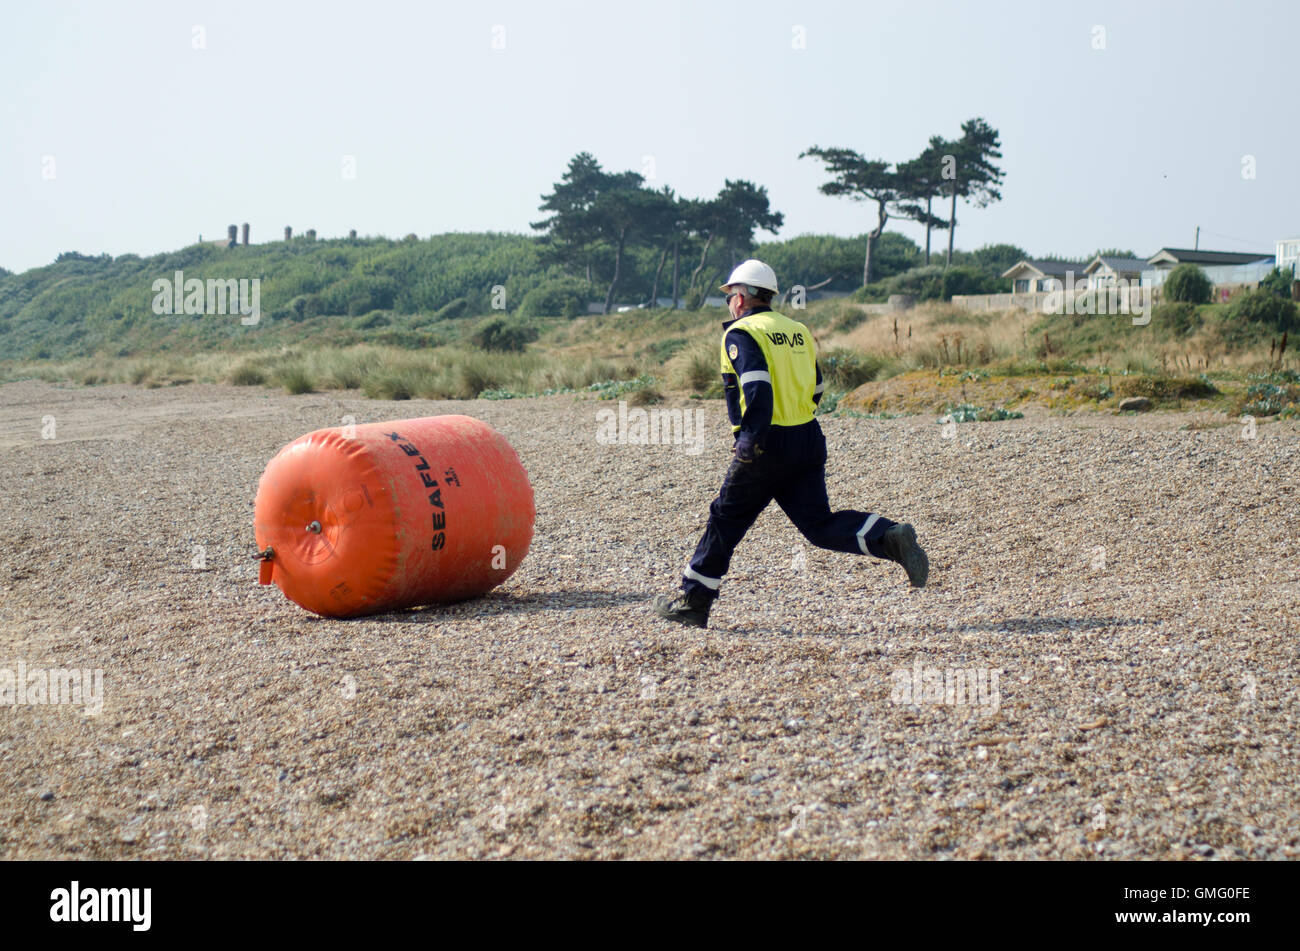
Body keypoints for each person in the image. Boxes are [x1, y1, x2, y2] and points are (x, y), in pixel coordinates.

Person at [652, 259, 928, 629]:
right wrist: (795, 418)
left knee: (725, 519)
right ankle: (888, 535)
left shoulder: (742, 333)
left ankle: (693, 603)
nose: (729, 303)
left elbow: (757, 388)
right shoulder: (797, 330)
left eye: (730, 295)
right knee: (819, 525)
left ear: (744, 296)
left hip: (767, 442)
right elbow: (817, 390)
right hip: (807, 437)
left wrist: (751, 439)